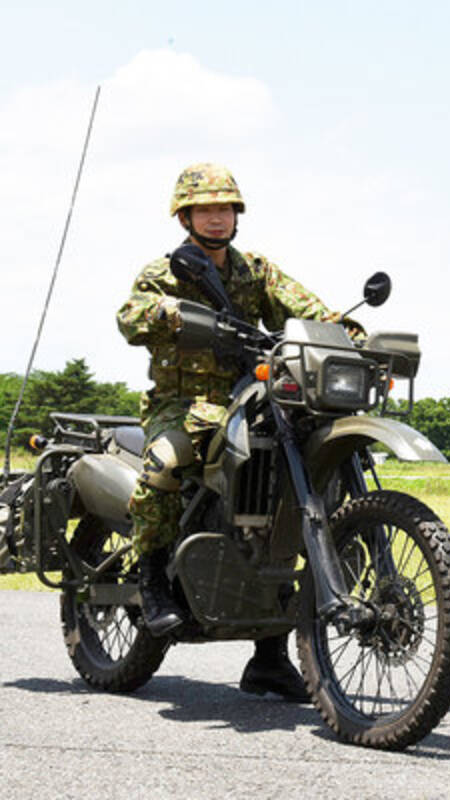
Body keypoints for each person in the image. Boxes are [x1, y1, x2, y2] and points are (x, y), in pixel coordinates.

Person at [116, 163, 346, 702]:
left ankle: (270, 659)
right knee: (167, 465)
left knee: (280, 501)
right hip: (182, 406)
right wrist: (168, 313)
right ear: (186, 215)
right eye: (205, 210)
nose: (217, 218)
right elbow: (129, 318)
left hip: (252, 398)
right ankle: (150, 578)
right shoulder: (163, 273)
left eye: (225, 209)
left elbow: (303, 306)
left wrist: (345, 328)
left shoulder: (255, 271)